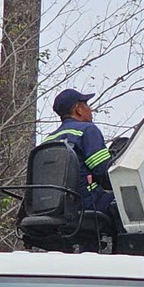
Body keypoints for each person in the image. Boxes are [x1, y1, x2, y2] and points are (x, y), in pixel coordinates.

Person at [48, 87, 119, 225]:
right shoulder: (87, 130)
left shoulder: (49, 139)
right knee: (129, 200)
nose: (90, 110)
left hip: (56, 207)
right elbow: (104, 172)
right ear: (78, 109)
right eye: (86, 105)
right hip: (85, 203)